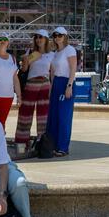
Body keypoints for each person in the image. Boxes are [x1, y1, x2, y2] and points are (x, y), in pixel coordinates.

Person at [15, 29, 54, 146]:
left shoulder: (52, 55)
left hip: (45, 83)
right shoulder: (30, 52)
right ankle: (21, 142)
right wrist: (25, 61)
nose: (38, 40)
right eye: (36, 37)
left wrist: (51, 89)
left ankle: (42, 142)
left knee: (43, 115)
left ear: (46, 39)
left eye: (41, 37)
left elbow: (52, 73)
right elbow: (24, 70)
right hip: (31, 83)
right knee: (25, 113)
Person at [46, 27, 77, 157]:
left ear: (65, 36)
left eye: (60, 35)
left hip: (66, 82)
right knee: (53, 116)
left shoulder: (69, 50)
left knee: (64, 116)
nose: (57, 37)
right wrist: (51, 87)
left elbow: (73, 68)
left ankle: (63, 147)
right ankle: (53, 145)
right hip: (56, 83)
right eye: (55, 35)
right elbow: (52, 73)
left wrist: (69, 85)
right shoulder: (55, 53)